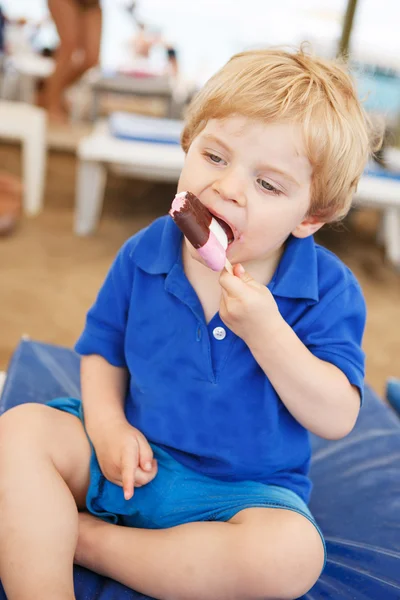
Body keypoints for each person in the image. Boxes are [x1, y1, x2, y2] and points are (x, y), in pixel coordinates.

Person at [0, 47, 379, 600]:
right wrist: (107, 427)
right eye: (215, 157)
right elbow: (103, 349)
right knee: (20, 429)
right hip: (131, 460)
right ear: (187, 145)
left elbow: (337, 415)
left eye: (268, 184)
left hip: (240, 498)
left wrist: (267, 331)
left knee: (292, 557)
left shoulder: (328, 289)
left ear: (310, 217)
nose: (228, 188)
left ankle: (88, 540)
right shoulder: (145, 251)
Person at [43, 0, 102, 122]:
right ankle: (52, 104)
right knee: (68, 48)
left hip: (92, 3)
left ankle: (48, 94)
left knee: (92, 59)